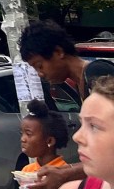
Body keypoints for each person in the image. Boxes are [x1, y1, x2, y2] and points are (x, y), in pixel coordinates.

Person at [20, 20, 114, 189]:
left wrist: (66, 173)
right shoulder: (80, 84)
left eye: (40, 66)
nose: (40, 74)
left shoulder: (97, 74)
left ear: (58, 52)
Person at [21, 98, 69, 173]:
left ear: (50, 141)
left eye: (28, 134)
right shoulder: (26, 170)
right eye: (22, 133)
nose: (23, 139)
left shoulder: (64, 172)